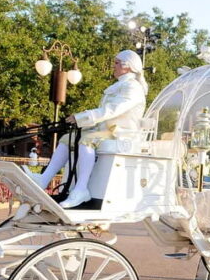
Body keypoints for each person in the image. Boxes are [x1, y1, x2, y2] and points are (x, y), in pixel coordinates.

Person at [26, 50, 148, 208]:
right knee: (66, 138)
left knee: (86, 140)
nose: (114, 66)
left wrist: (82, 117)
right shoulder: (120, 85)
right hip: (106, 130)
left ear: (128, 67)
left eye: (117, 63)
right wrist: (79, 119)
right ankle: (44, 179)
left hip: (121, 133)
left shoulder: (133, 88)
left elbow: (112, 110)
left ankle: (81, 189)